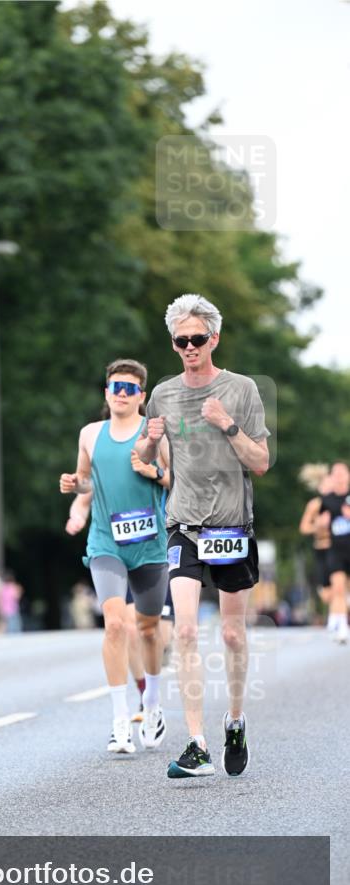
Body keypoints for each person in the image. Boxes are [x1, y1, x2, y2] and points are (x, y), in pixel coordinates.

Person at [136, 293, 270, 779]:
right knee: (187, 629)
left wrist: (226, 424)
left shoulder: (242, 389)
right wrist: (149, 441)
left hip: (231, 525)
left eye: (197, 339)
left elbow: (261, 462)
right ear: (173, 344)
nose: (189, 347)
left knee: (233, 634)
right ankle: (196, 745)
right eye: (180, 341)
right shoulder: (164, 394)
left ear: (214, 338)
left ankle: (235, 718)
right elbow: (147, 461)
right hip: (184, 524)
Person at [60, 358, 169, 755]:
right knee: (114, 626)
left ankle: (153, 703)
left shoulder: (156, 432)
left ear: (142, 395)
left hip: (150, 545)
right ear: (106, 393)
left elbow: (176, 480)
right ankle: (120, 722)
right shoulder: (90, 433)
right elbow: (87, 480)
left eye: (129, 388)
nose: (121, 394)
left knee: (148, 630)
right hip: (106, 542)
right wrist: (75, 486)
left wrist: (152, 472)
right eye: (115, 387)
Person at [65, 440, 172, 723]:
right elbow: (84, 495)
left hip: (157, 552)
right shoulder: (107, 461)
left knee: (157, 634)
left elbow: (184, 484)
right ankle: (143, 694)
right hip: (119, 554)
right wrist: (77, 516)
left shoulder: (161, 451)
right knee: (126, 627)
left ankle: (152, 688)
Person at [318, 461, 350, 644]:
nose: (339, 476)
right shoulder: (327, 499)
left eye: (342, 473)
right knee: (337, 588)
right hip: (336, 550)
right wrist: (321, 523)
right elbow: (320, 523)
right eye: (335, 473)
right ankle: (342, 628)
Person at [298, 465, 333, 624]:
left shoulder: (343, 502)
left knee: (341, 585)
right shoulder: (314, 505)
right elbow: (304, 528)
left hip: (339, 547)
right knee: (326, 594)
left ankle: (338, 621)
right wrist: (317, 526)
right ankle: (337, 614)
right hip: (321, 548)